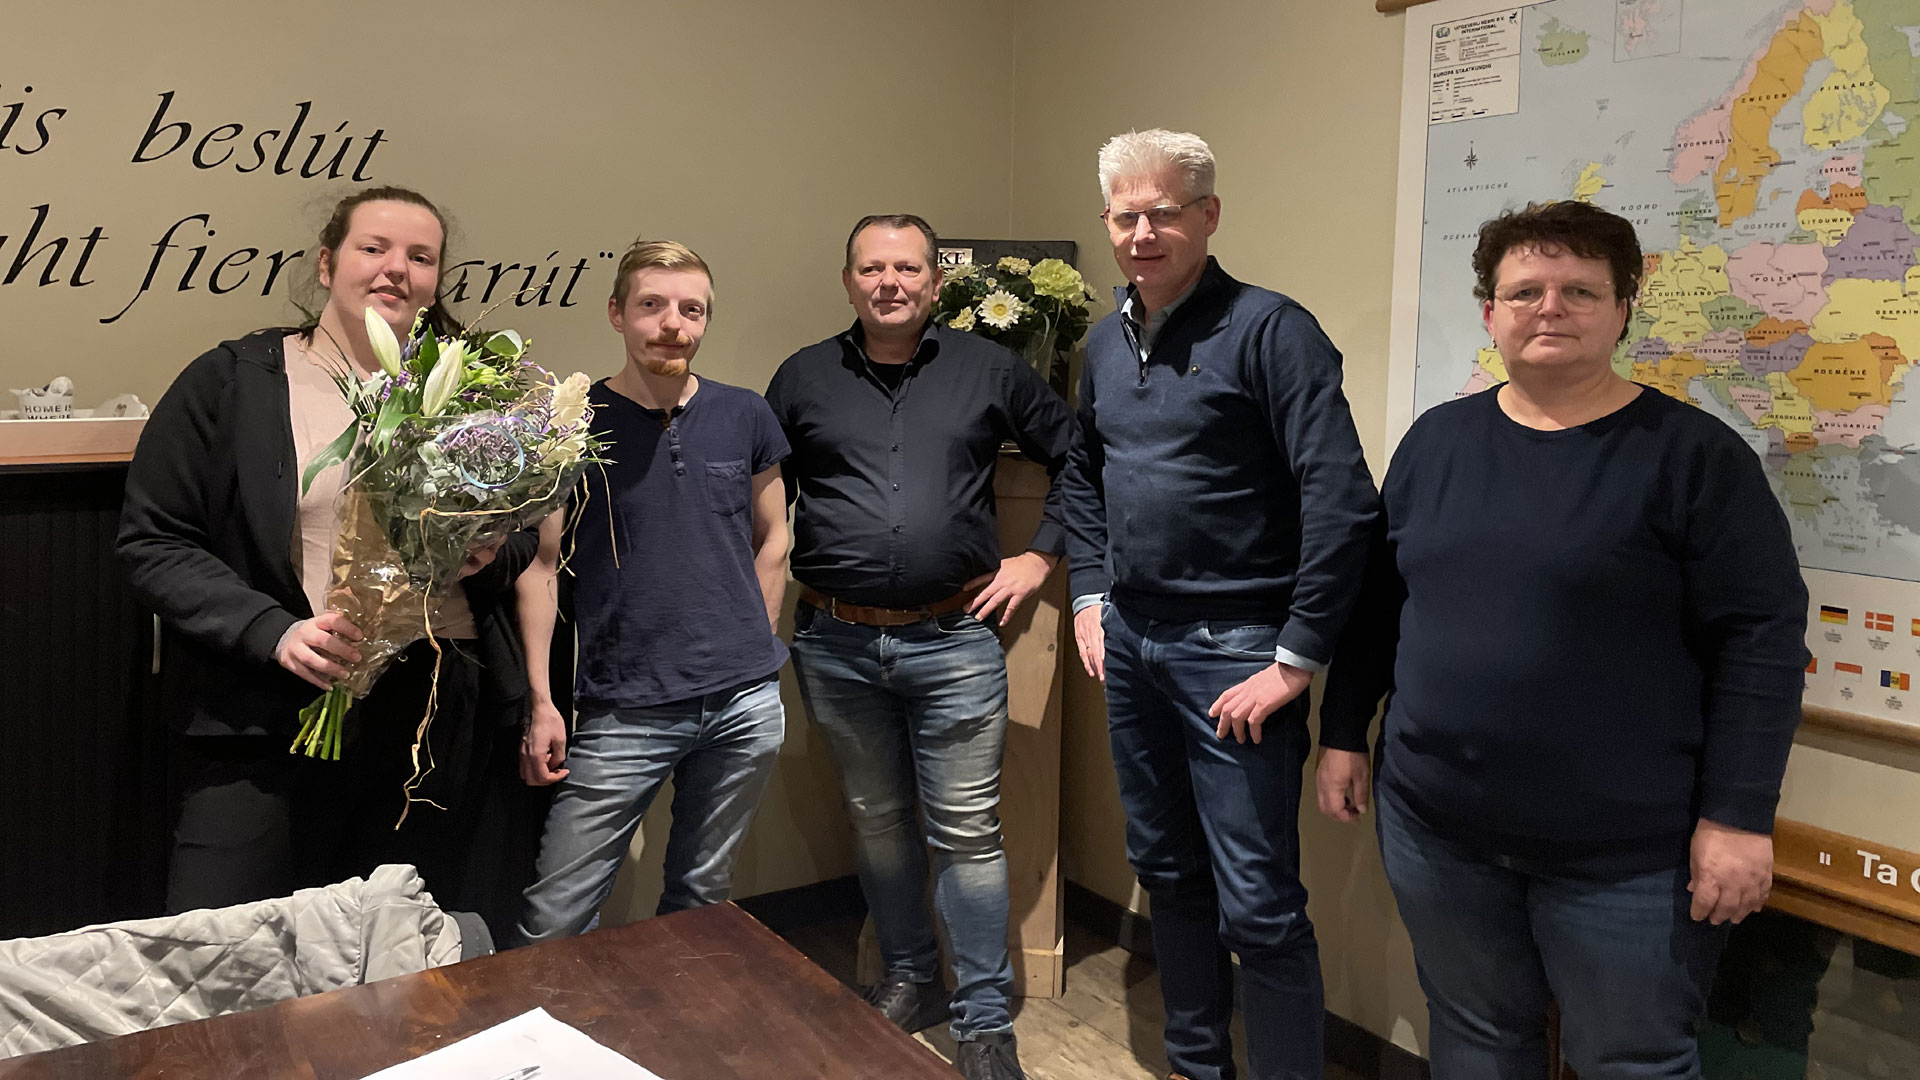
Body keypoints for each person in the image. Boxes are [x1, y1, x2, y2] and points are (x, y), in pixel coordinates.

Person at [1315, 200, 1809, 1078]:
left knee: (1634, 1061)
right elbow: (1379, 605)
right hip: (1437, 829)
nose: (1550, 307)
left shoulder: (1694, 458)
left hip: (1625, 857)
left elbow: (1761, 642)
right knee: (1475, 1035)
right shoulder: (1436, 443)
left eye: (1580, 290)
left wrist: (1738, 816)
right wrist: (1344, 731)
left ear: (1623, 310)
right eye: (1525, 291)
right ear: (1490, 314)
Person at [118, 186, 542, 939]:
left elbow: (516, 535)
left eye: (420, 257)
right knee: (222, 944)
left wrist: (483, 551)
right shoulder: (234, 381)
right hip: (268, 708)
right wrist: (272, 631)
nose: (396, 269)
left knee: (392, 950)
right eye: (373, 248)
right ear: (326, 264)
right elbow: (155, 541)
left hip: (428, 714)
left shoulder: (471, 392)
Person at [1062, 129, 1380, 1080]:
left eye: (1164, 213)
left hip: (1237, 650)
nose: (1143, 233)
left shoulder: (1272, 330)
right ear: (1107, 221)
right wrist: (1088, 594)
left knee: (1260, 906)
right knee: (1166, 872)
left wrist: (1297, 656)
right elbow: (1082, 474)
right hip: (1132, 640)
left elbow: (1342, 499)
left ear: (1208, 215)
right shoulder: (1104, 341)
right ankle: (1197, 1066)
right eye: (1126, 215)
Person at [765, 214, 1071, 1080]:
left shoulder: (990, 368)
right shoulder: (802, 377)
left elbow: (1080, 455)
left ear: (936, 283)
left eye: (907, 268)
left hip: (955, 641)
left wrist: (1039, 554)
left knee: (968, 832)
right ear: (849, 281)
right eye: (872, 268)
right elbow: (758, 500)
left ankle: (983, 1021)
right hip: (836, 643)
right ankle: (908, 974)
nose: (889, 282)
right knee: (877, 823)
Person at [515, 240, 791, 943]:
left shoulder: (746, 414)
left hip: (742, 706)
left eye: (691, 309)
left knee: (702, 897)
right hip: (622, 707)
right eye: (652, 305)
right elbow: (540, 568)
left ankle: (684, 1013)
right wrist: (542, 702)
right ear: (617, 313)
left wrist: (754, 652)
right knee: (555, 914)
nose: (673, 323)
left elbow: (774, 541)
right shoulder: (570, 423)